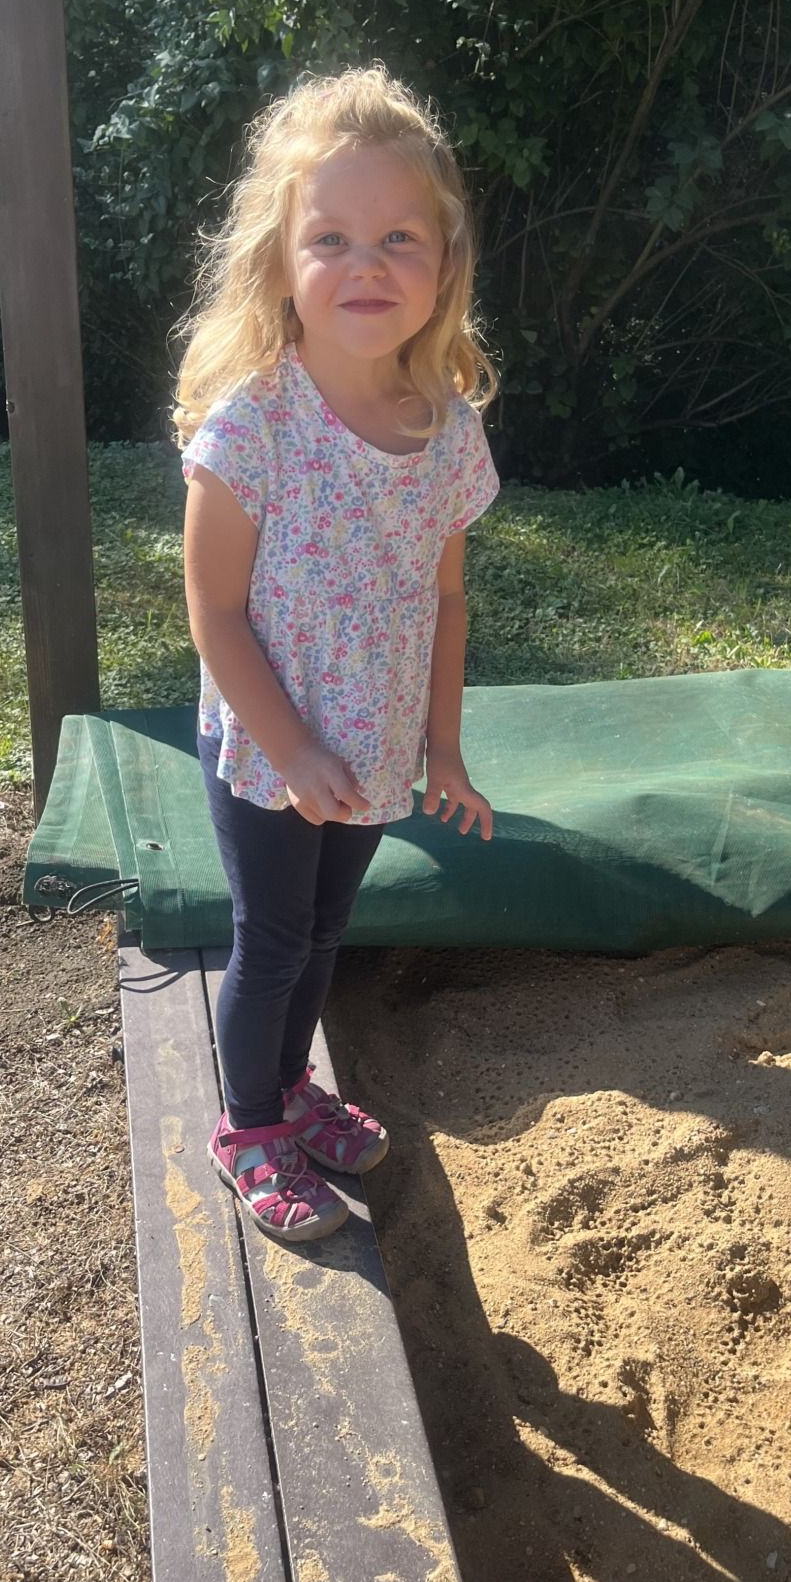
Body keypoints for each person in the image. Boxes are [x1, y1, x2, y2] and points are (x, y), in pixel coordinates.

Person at [173, 64, 501, 1245]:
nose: (367, 264)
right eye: (332, 238)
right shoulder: (252, 428)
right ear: (281, 262)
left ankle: (290, 1086)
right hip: (271, 752)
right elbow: (214, 614)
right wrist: (294, 749)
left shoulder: (446, 430)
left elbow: (447, 600)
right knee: (270, 940)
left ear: (444, 264)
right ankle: (249, 1126)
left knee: (323, 933)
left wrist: (444, 750)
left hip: (372, 748)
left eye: (399, 236)